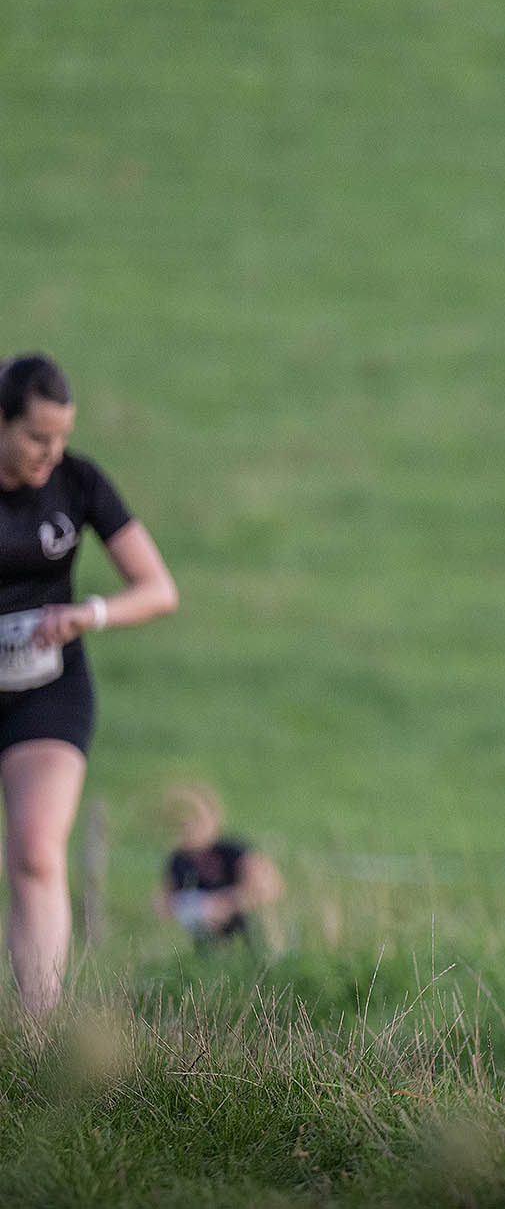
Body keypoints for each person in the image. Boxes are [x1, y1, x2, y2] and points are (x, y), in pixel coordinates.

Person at [0, 353, 177, 1017]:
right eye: (36, 437)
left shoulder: (77, 482)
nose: (52, 452)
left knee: (37, 852)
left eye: (62, 436)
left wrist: (88, 614)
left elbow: (158, 589)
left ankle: (37, 1036)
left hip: (47, 688)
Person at [154, 782, 283, 948]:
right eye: (182, 823)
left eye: (196, 820)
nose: (190, 828)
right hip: (205, 939)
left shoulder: (234, 851)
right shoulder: (178, 861)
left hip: (247, 933)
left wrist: (227, 904)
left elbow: (271, 889)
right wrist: (190, 908)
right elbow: (161, 905)